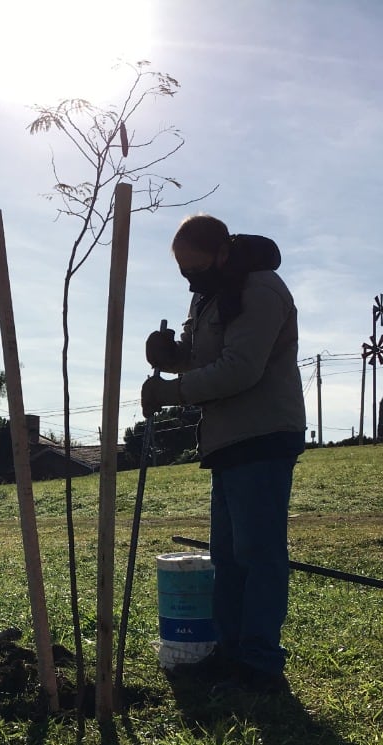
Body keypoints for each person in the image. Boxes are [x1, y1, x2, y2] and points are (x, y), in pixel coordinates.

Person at [141, 215, 305, 694]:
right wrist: (171, 355)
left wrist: (173, 390)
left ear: (223, 252)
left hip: (264, 434)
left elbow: (240, 369)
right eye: (184, 273)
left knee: (258, 553)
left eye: (196, 268)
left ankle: (260, 665)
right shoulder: (210, 294)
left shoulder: (260, 289)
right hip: (228, 441)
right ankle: (230, 655)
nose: (191, 279)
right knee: (229, 557)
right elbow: (203, 356)